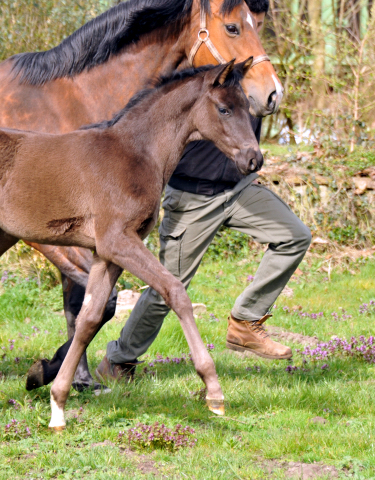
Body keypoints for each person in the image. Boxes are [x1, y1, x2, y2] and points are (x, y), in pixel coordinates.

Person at [96, 0, 312, 382]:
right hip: (193, 200)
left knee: (294, 235)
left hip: (238, 190)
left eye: (256, 26)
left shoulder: (247, 69)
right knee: (168, 289)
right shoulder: (194, 73)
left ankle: (245, 322)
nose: (251, 35)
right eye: (244, 26)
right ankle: (119, 361)